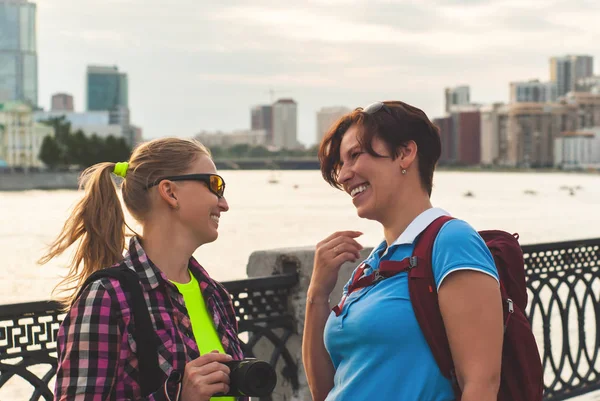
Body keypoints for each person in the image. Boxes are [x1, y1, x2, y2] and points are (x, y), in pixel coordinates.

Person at [302, 101, 503, 401]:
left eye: (355, 156)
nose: (343, 176)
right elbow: (325, 391)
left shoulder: (452, 242)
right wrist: (317, 295)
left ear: (405, 153)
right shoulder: (370, 267)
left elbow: (481, 384)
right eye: (340, 165)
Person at [40, 138, 244, 401]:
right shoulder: (107, 298)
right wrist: (178, 397)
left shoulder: (217, 296)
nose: (223, 203)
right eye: (215, 185)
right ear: (170, 192)